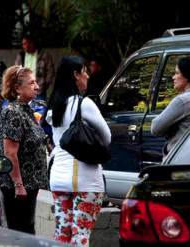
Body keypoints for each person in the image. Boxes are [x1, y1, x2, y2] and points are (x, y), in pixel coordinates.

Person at [45, 56, 111, 246]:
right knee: (80, 236)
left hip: (58, 177)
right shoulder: (84, 104)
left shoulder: (54, 105)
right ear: (75, 75)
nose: (88, 76)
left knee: (61, 235)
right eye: (84, 72)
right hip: (85, 179)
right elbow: (106, 137)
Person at [0, 65, 48, 234]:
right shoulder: (13, 112)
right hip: (17, 189)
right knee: (20, 232)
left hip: (30, 186)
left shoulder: (27, 110)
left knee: (26, 230)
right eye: (32, 83)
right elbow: (10, 152)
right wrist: (18, 185)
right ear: (17, 88)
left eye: (36, 82)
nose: (37, 87)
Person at [151, 56, 190, 156]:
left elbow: (155, 128)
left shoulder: (184, 101)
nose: (173, 77)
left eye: (177, 73)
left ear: (188, 76)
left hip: (177, 161)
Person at [15, 35, 55, 100]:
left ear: (31, 43)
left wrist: (44, 85)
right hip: (24, 91)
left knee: (39, 109)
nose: (23, 46)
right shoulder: (21, 55)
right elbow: (16, 70)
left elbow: (50, 71)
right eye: (22, 44)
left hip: (39, 90)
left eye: (25, 44)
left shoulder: (43, 55)